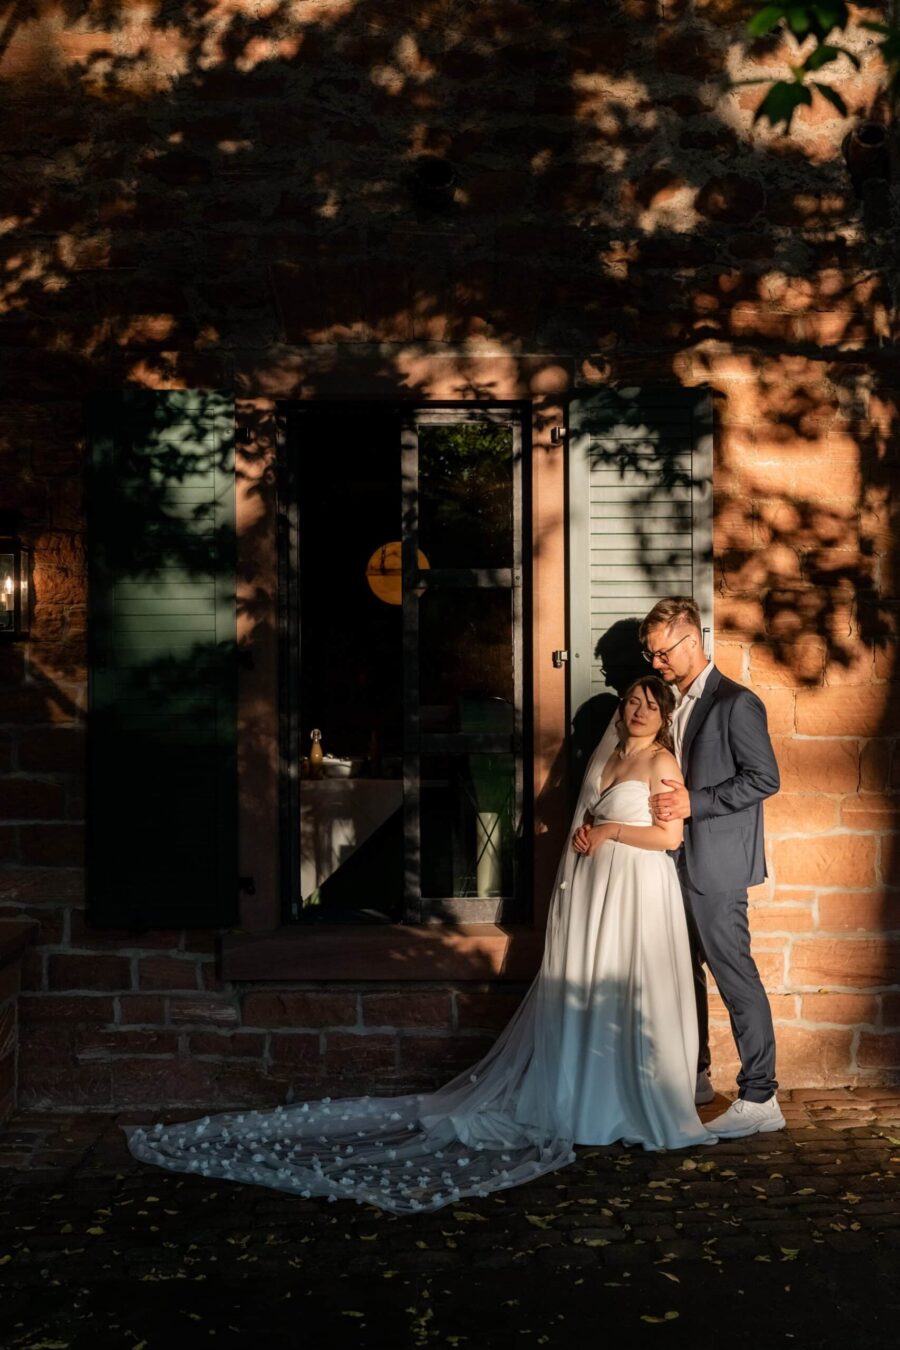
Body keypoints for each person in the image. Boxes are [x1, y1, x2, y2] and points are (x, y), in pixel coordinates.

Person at [127, 675, 713, 1214]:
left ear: (663, 716)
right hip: (597, 890)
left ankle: (630, 1100)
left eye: (650, 705)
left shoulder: (661, 761)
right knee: (588, 990)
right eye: (633, 701)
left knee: (628, 986)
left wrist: (609, 829)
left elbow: (668, 835)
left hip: (635, 889)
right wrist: (588, 831)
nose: (638, 710)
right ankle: (589, 1098)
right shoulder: (609, 754)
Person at [641, 597, 783, 1138]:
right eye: (650, 654)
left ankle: (761, 1095)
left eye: (661, 653)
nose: (656, 663)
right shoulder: (672, 702)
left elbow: (763, 778)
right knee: (684, 972)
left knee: (734, 973)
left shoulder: (735, 703)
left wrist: (694, 803)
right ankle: (697, 1075)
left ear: (691, 641)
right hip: (673, 858)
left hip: (718, 862)